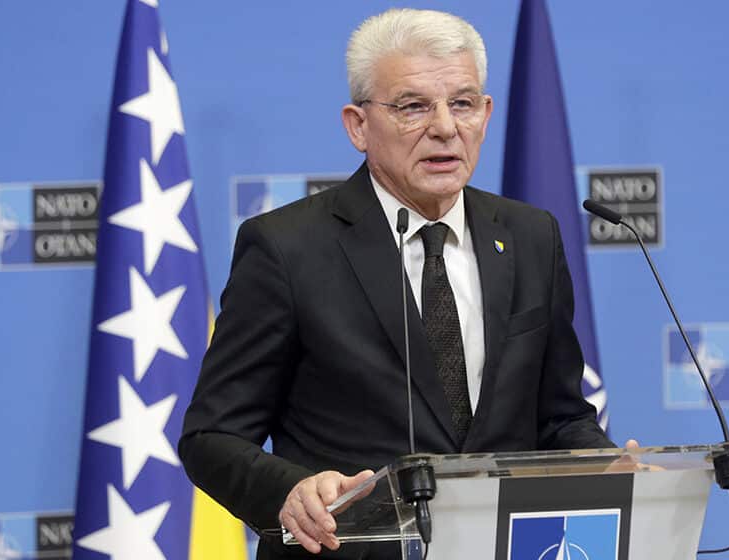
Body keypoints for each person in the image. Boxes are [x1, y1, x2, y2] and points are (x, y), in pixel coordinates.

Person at [179, 8, 617, 559]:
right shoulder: (286, 248)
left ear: (485, 114)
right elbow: (212, 437)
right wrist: (291, 492)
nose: (445, 127)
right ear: (358, 126)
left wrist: (610, 467)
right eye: (413, 107)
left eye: (462, 103)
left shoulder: (531, 236)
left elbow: (560, 416)